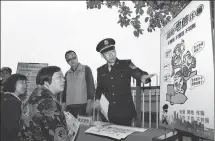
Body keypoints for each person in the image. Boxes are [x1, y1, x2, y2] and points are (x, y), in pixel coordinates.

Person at [94, 38, 155, 126]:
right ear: (102, 56)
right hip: (107, 112)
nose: (111, 55)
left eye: (113, 51)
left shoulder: (126, 64)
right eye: (107, 53)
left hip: (124, 112)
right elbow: (100, 88)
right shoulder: (100, 70)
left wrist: (143, 77)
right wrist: (97, 99)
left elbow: (136, 72)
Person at [19, 66, 70, 141]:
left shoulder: (35, 97)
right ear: (46, 83)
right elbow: (60, 137)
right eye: (59, 77)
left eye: (63, 77)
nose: (63, 80)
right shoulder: (48, 103)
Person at [62, 50, 95, 118]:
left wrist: (89, 105)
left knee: (83, 128)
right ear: (67, 61)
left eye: (73, 58)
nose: (72, 61)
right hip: (69, 107)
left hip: (83, 106)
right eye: (69, 59)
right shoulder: (67, 74)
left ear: (77, 57)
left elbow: (91, 87)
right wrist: (63, 107)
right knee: (71, 128)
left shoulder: (86, 69)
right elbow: (64, 92)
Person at [1, 73, 27, 141]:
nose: (25, 85)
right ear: (13, 83)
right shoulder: (12, 102)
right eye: (21, 82)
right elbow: (11, 126)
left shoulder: (6, 97)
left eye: (25, 83)